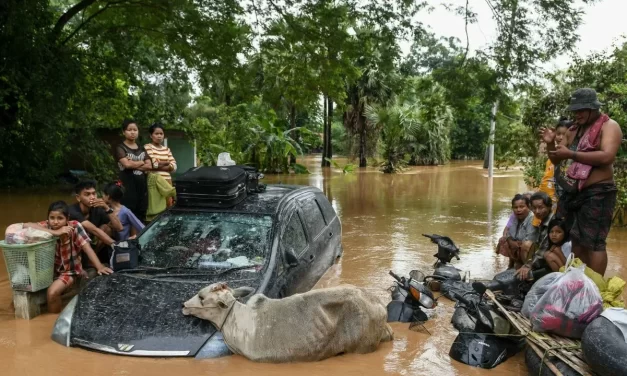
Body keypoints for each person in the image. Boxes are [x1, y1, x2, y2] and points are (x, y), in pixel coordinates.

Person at [541, 88, 623, 276]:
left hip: (599, 192)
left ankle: (596, 288)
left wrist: (571, 154)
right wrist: (551, 143)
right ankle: (578, 282)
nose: (577, 115)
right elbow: (556, 159)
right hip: (574, 191)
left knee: (594, 242)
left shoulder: (609, 126)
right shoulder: (573, 130)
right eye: (575, 111)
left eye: (581, 110)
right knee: (576, 239)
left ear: (593, 108)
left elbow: (607, 157)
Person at [24, 201, 113, 313]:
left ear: (67, 219)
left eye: (60, 218)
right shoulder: (47, 226)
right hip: (50, 271)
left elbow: (87, 248)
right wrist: (54, 232)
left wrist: (99, 266)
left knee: (52, 293)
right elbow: (26, 225)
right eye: (52, 218)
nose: (55, 222)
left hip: (69, 272)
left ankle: (53, 321)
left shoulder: (75, 227)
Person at [69, 180, 123, 259]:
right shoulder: (73, 211)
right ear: (78, 197)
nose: (92, 197)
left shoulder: (97, 209)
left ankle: (92, 258)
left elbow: (119, 228)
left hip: (91, 246)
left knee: (106, 228)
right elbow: (94, 230)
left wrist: (107, 208)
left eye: (94, 193)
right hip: (74, 247)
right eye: (87, 194)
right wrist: (117, 245)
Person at [116, 119, 151, 222]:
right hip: (127, 188)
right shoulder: (120, 148)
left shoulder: (142, 148)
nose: (132, 132)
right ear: (124, 132)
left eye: (135, 130)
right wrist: (141, 162)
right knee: (127, 215)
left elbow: (149, 166)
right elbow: (126, 165)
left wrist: (133, 164)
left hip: (142, 189)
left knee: (141, 215)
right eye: (129, 130)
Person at [516, 192, 553, 280]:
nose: (537, 211)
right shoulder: (543, 221)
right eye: (534, 208)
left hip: (553, 262)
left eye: (541, 207)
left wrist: (528, 266)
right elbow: (537, 245)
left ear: (549, 206)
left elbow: (543, 250)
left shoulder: (552, 224)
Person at [497, 194, 537, 269]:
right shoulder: (514, 216)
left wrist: (516, 243)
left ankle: (526, 266)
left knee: (525, 245)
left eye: (522, 207)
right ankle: (513, 263)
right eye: (515, 207)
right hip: (517, 242)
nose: (518, 210)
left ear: (528, 207)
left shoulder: (532, 218)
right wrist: (509, 240)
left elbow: (530, 240)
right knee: (503, 241)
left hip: (529, 248)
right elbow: (508, 231)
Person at [144, 123, 177, 208]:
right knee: (156, 206)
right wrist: (166, 163)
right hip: (155, 181)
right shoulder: (148, 147)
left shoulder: (167, 149)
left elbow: (174, 167)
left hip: (167, 181)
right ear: (151, 135)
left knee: (168, 205)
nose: (159, 136)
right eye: (156, 133)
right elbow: (152, 164)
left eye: (161, 134)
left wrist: (160, 164)